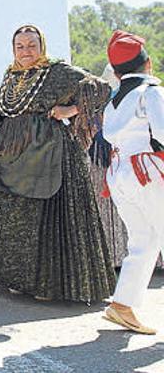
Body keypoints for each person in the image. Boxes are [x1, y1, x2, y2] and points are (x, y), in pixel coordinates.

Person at [0, 24, 116, 302]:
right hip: (11, 155)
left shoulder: (58, 71)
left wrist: (71, 109)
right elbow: (0, 112)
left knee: (45, 219)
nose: (26, 51)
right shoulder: (11, 76)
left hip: (48, 152)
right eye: (20, 46)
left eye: (31, 45)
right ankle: (20, 278)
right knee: (15, 219)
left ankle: (49, 285)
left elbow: (101, 89)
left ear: (42, 46)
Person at [100, 30, 164, 334]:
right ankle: (122, 305)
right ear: (148, 63)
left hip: (120, 173)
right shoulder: (151, 92)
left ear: (115, 71)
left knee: (143, 240)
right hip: (147, 170)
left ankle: (122, 304)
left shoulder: (112, 101)